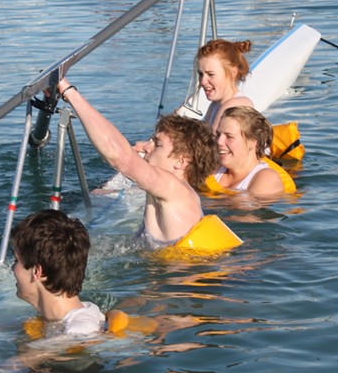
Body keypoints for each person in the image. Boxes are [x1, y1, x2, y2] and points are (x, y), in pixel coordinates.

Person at [56, 78, 219, 248]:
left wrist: (68, 92)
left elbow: (121, 159)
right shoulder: (173, 193)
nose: (147, 147)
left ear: (181, 161)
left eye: (157, 144)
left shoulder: (174, 188)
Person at [10, 209, 105, 338]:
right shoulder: (80, 316)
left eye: (16, 260)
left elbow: (85, 338)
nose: (12, 268)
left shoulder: (82, 329)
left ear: (38, 272)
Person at [209, 106, 291, 198]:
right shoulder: (214, 167)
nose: (219, 141)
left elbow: (245, 211)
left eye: (229, 136)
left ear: (252, 141)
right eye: (218, 134)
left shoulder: (266, 178)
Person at [195, 38, 255, 133]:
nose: (202, 81)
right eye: (201, 74)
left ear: (232, 73)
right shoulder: (215, 104)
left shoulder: (234, 105)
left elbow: (209, 142)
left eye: (210, 74)